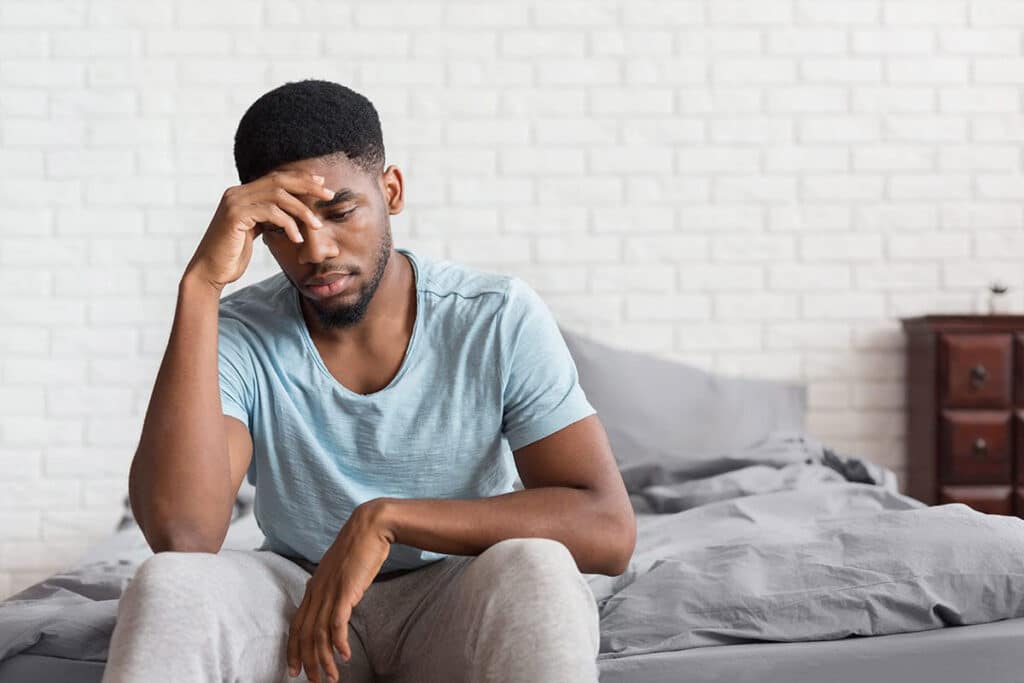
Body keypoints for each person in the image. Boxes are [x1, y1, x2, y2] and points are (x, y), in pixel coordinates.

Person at [101, 79, 636, 683]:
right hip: (300, 602)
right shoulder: (239, 333)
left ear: (391, 191)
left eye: (339, 211)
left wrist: (385, 520)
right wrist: (200, 286)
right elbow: (184, 534)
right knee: (167, 581)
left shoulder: (495, 315)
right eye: (284, 227)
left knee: (538, 569)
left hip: (457, 592)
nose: (316, 249)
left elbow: (606, 527)